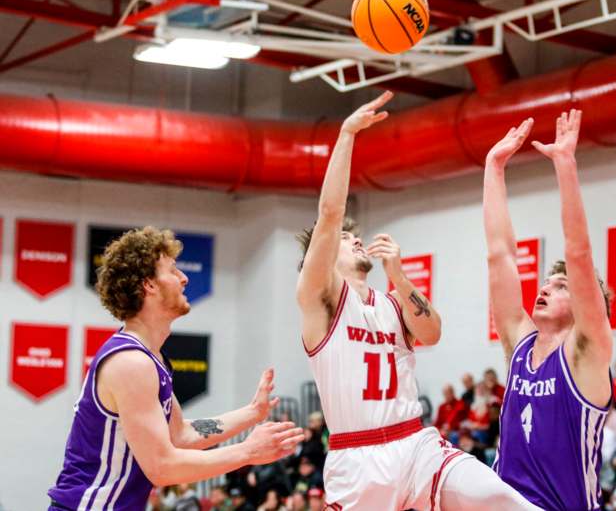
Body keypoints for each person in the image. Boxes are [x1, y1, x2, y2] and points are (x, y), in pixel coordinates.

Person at [295, 91, 537, 511]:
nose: (355, 238)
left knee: (498, 497)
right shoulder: (319, 299)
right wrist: (347, 134)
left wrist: (399, 277)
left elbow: (433, 332)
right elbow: (331, 213)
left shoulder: (391, 301)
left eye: (356, 236)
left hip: (415, 442)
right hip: (359, 461)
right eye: (345, 240)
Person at [48, 227, 304, 511]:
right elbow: (162, 466)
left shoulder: (149, 357)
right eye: (172, 270)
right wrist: (247, 451)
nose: (184, 278)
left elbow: (180, 435)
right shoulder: (131, 363)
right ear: (150, 285)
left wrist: (251, 414)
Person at [483, 110, 613, 510]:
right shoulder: (520, 344)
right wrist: (493, 167)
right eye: (547, 282)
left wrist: (565, 165)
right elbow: (499, 254)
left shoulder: (586, 352)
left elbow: (578, 252)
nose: (545, 287)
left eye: (561, 287)